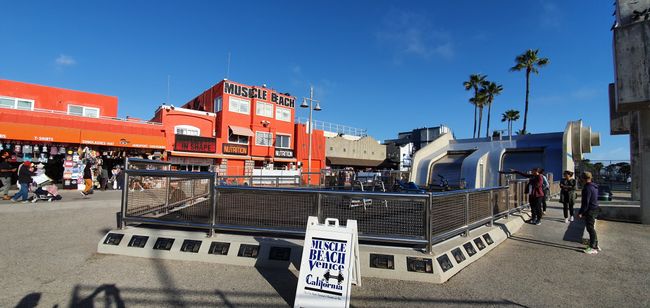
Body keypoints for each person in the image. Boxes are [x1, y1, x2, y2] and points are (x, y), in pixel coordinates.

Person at [578, 172, 601, 254]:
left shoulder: (587, 188)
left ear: (583, 179)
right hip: (595, 208)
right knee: (591, 228)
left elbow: (585, 203)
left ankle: (593, 247)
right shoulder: (594, 186)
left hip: (590, 210)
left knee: (590, 228)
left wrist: (581, 212)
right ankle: (595, 244)